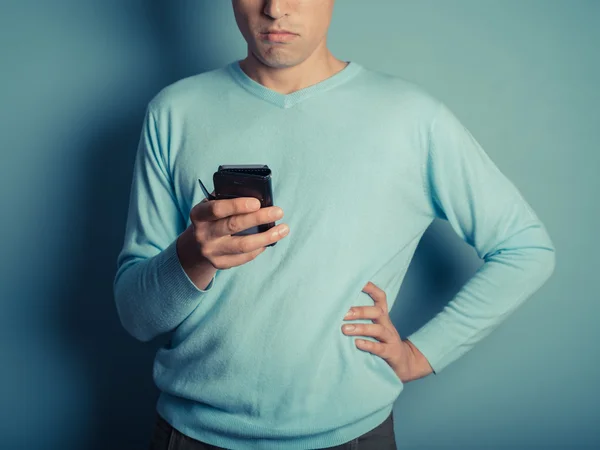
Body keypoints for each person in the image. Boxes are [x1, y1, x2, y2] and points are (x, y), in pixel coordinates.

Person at [113, 1, 556, 449]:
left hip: (352, 437)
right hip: (189, 435)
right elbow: (136, 317)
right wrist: (192, 256)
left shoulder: (410, 118)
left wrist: (422, 354)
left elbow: (526, 250)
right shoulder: (174, 111)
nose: (275, 8)